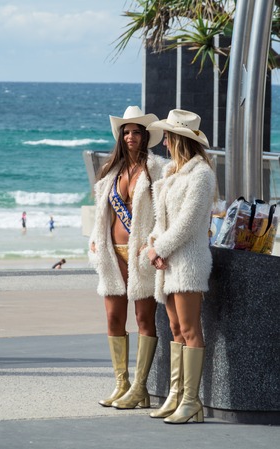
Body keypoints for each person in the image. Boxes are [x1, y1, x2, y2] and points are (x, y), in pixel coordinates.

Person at [88, 106, 166, 409]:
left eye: (136, 132)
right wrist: (96, 240)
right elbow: (101, 215)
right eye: (127, 132)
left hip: (140, 256)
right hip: (112, 255)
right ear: (121, 137)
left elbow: (164, 211)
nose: (131, 136)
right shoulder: (112, 171)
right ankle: (121, 383)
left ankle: (140, 387)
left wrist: (154, 243)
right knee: (113, 318)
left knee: (144, 319)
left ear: (145, 136)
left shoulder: (157, 167)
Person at [146, 109, 216, 424]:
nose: (165, 143)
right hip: (169, 260)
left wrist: (158, 249)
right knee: (175, 329)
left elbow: (188, 222)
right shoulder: (171, 172)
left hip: (188, 261)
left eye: (169, 137)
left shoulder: (201, 174)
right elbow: (162, 220)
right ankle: (177, 396)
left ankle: (192, 401)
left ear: (180, 139)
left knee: (190, 329)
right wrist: (153, 246)